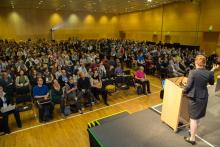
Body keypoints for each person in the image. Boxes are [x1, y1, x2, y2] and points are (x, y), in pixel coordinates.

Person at [183, 55, 219, 145]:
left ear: (196, 62)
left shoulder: (192, 72)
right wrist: (212, 71)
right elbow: (211, 82)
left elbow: (188, 86)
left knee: (193, 118)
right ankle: (192, 131)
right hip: (203, 97)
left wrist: (183, 91)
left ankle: (192, 138)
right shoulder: (209, 73)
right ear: (204, 63)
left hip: (195, 98)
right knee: (197, 117)